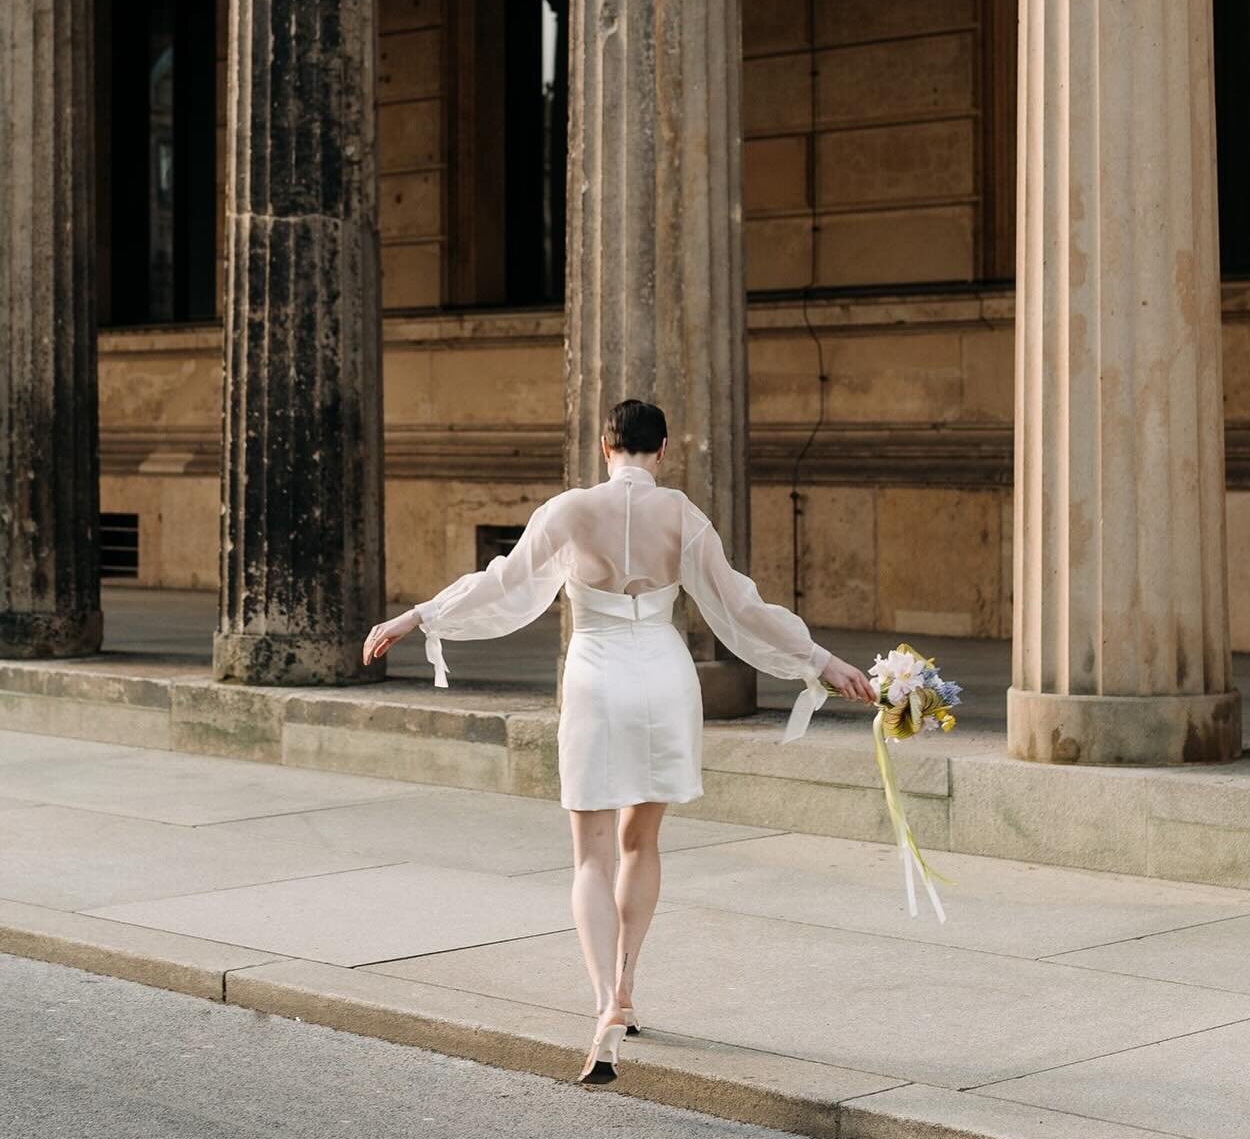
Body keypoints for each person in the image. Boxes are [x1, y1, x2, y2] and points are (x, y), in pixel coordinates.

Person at [362, 398, 876, 1087]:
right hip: (664, 676)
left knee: (590, 857)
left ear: (605, 447)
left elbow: (504, 582)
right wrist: (821, 661)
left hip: (597, 676)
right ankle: (629, 986)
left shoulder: (571, 510)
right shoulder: (682, 515)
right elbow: (743, 608)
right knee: (641, 843)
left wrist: (418, 615)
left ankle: (605, 1001)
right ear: (662, 450)